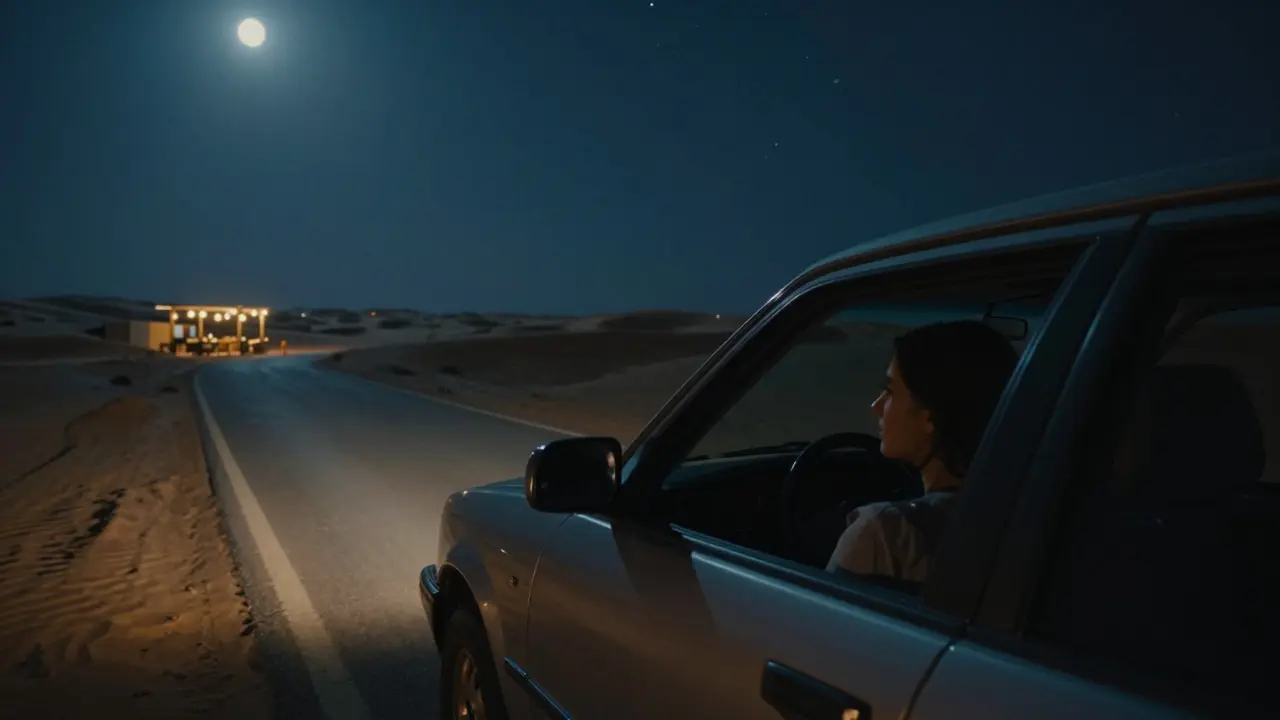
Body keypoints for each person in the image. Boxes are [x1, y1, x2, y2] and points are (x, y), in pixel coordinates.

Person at [826, 320, 1019, 583]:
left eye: (890, 391)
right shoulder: (1022, 512)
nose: (876, 406)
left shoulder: (885, 532)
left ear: (930, 415)